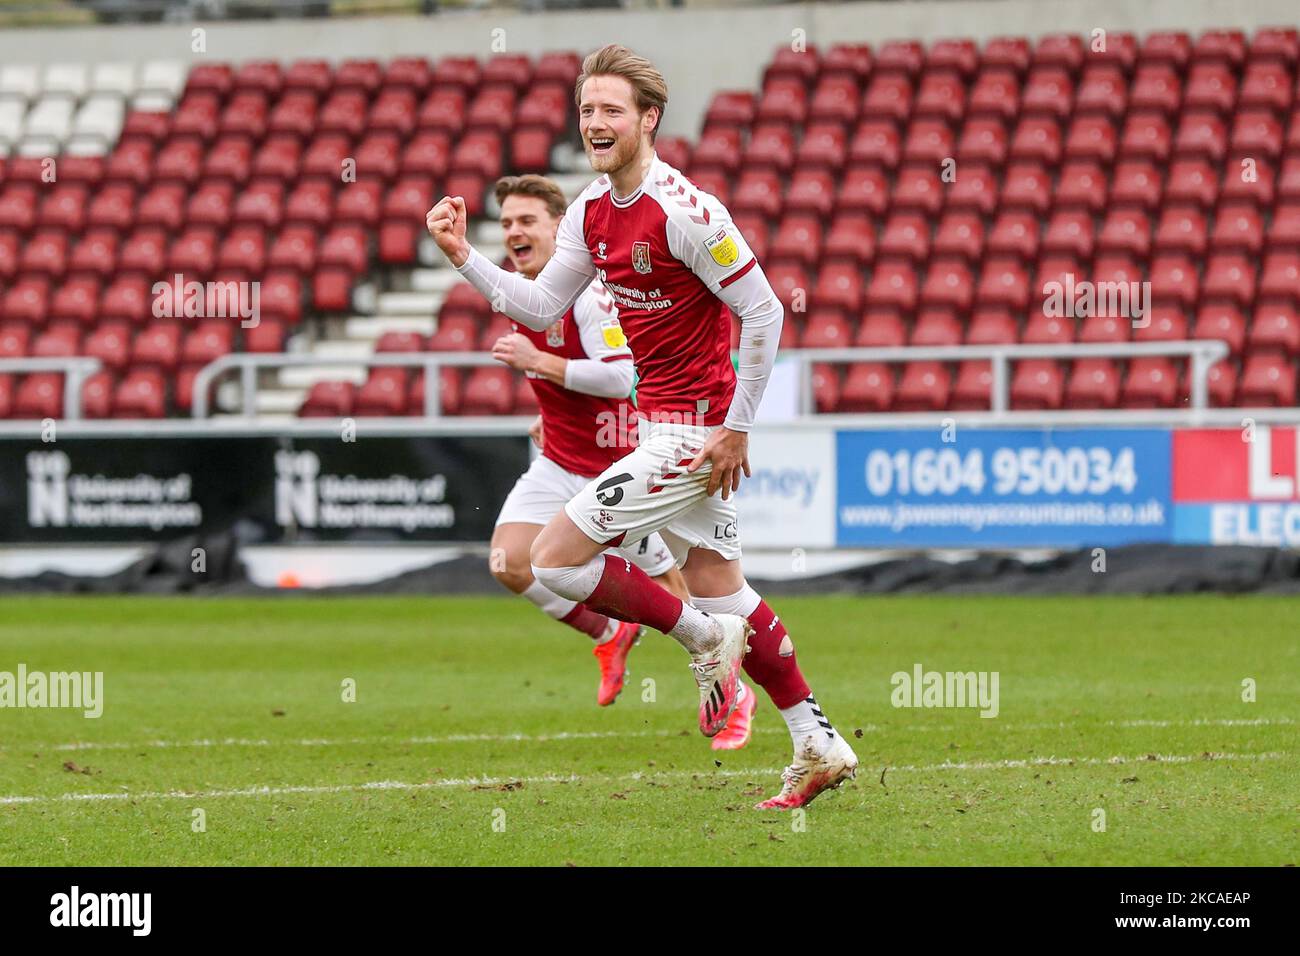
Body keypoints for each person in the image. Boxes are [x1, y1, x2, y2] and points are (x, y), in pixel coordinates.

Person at [428, 46, 852, 808]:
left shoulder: (687, 210)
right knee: (724, 588)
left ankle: (698, 639)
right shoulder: (591, 212)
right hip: (669, 426)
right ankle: (816, 739)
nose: (595, 122)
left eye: (611, 110)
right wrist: (465, 257)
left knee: (554, 561)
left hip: (693, 435)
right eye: (588, 110)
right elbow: (540, 307)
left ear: (648, 120)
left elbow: (763, 310)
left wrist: (737, 428)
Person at [485, 173, 756, 748]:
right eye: (507, 222)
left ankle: (738, 692)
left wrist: (545, 365)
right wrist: (548, 405)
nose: (514, 232)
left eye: (527, 220)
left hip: (615, 463)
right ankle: (609, 633)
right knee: (509, 563)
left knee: (685, 596)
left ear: (559, 227)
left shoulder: (588, 294)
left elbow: (619, 375)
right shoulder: (523, 291)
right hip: (559, 459)